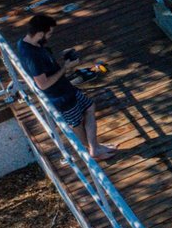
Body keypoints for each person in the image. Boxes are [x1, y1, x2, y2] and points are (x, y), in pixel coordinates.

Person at [17, 14, 114, 159]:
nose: (50, 36)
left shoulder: (29, 43)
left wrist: (63, 57)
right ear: (39, 33)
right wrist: (65, 68)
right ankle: (93, 151)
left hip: (66, 87)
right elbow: (42, 84)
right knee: (76, 124)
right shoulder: (31, 56)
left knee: (89, 107)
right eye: (49, 33)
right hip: (58, 96)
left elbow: (46, 63)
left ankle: (95, 147)